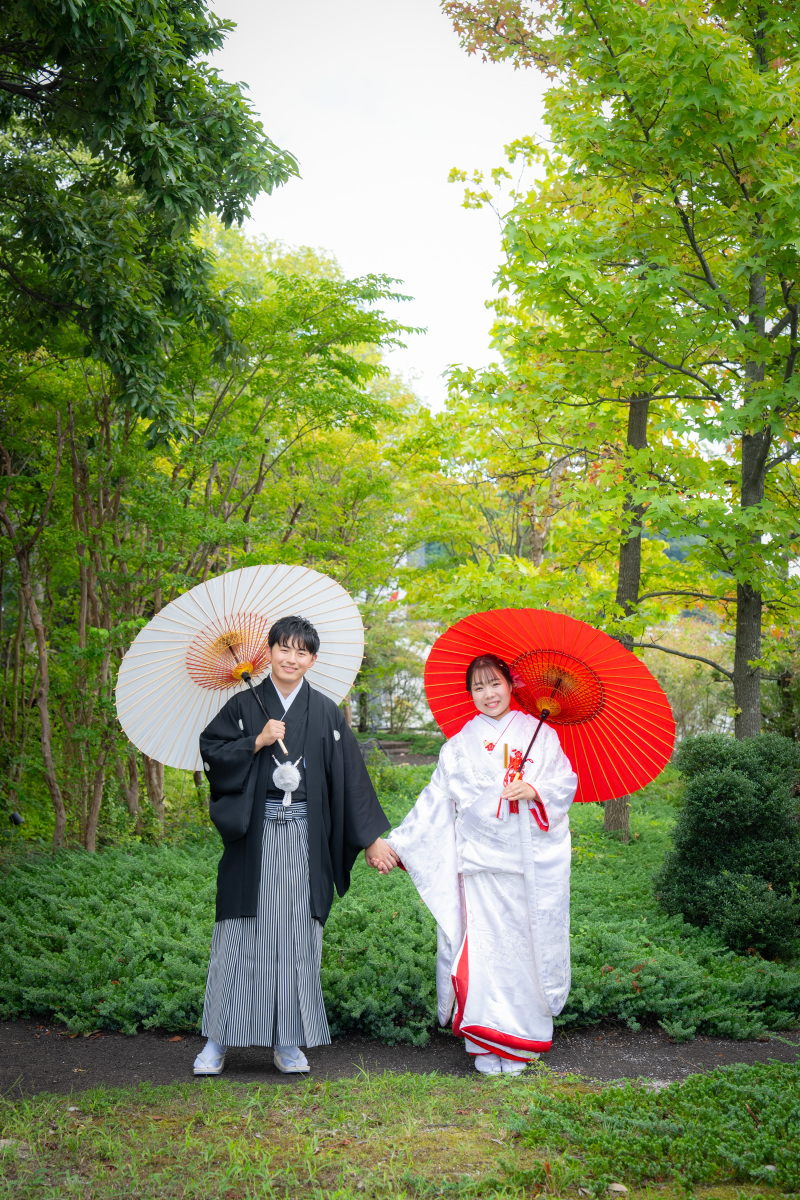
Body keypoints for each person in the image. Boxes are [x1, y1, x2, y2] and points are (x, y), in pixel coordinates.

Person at [193, 614, 396, 1076]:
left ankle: (287, 1041)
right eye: (283, 648)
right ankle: (218, 1040)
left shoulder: (325, 711)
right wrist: (255, 741)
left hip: (305, 839)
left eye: (301, 651)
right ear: (268, 652)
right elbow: (212, 751)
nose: (291, 658)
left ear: (312, 659)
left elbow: (349, 779)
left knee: (296, 937)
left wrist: (371, 839)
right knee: (240, 936)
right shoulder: (244, 706)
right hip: (255, 838)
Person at [383, 653, 577, 1075]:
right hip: (477, 865)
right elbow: (434, 803)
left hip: (525, 863)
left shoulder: (538, 734)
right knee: (485, 953)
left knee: (523, 951)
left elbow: (565, 782)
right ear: (470, 693)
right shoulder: (457, 745)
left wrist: (536, 789)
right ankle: (484, 1039)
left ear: (511, 685)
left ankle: (521, 1039)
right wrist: (396, 843)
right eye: (478, 687)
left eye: (495, 684)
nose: (488, 694)